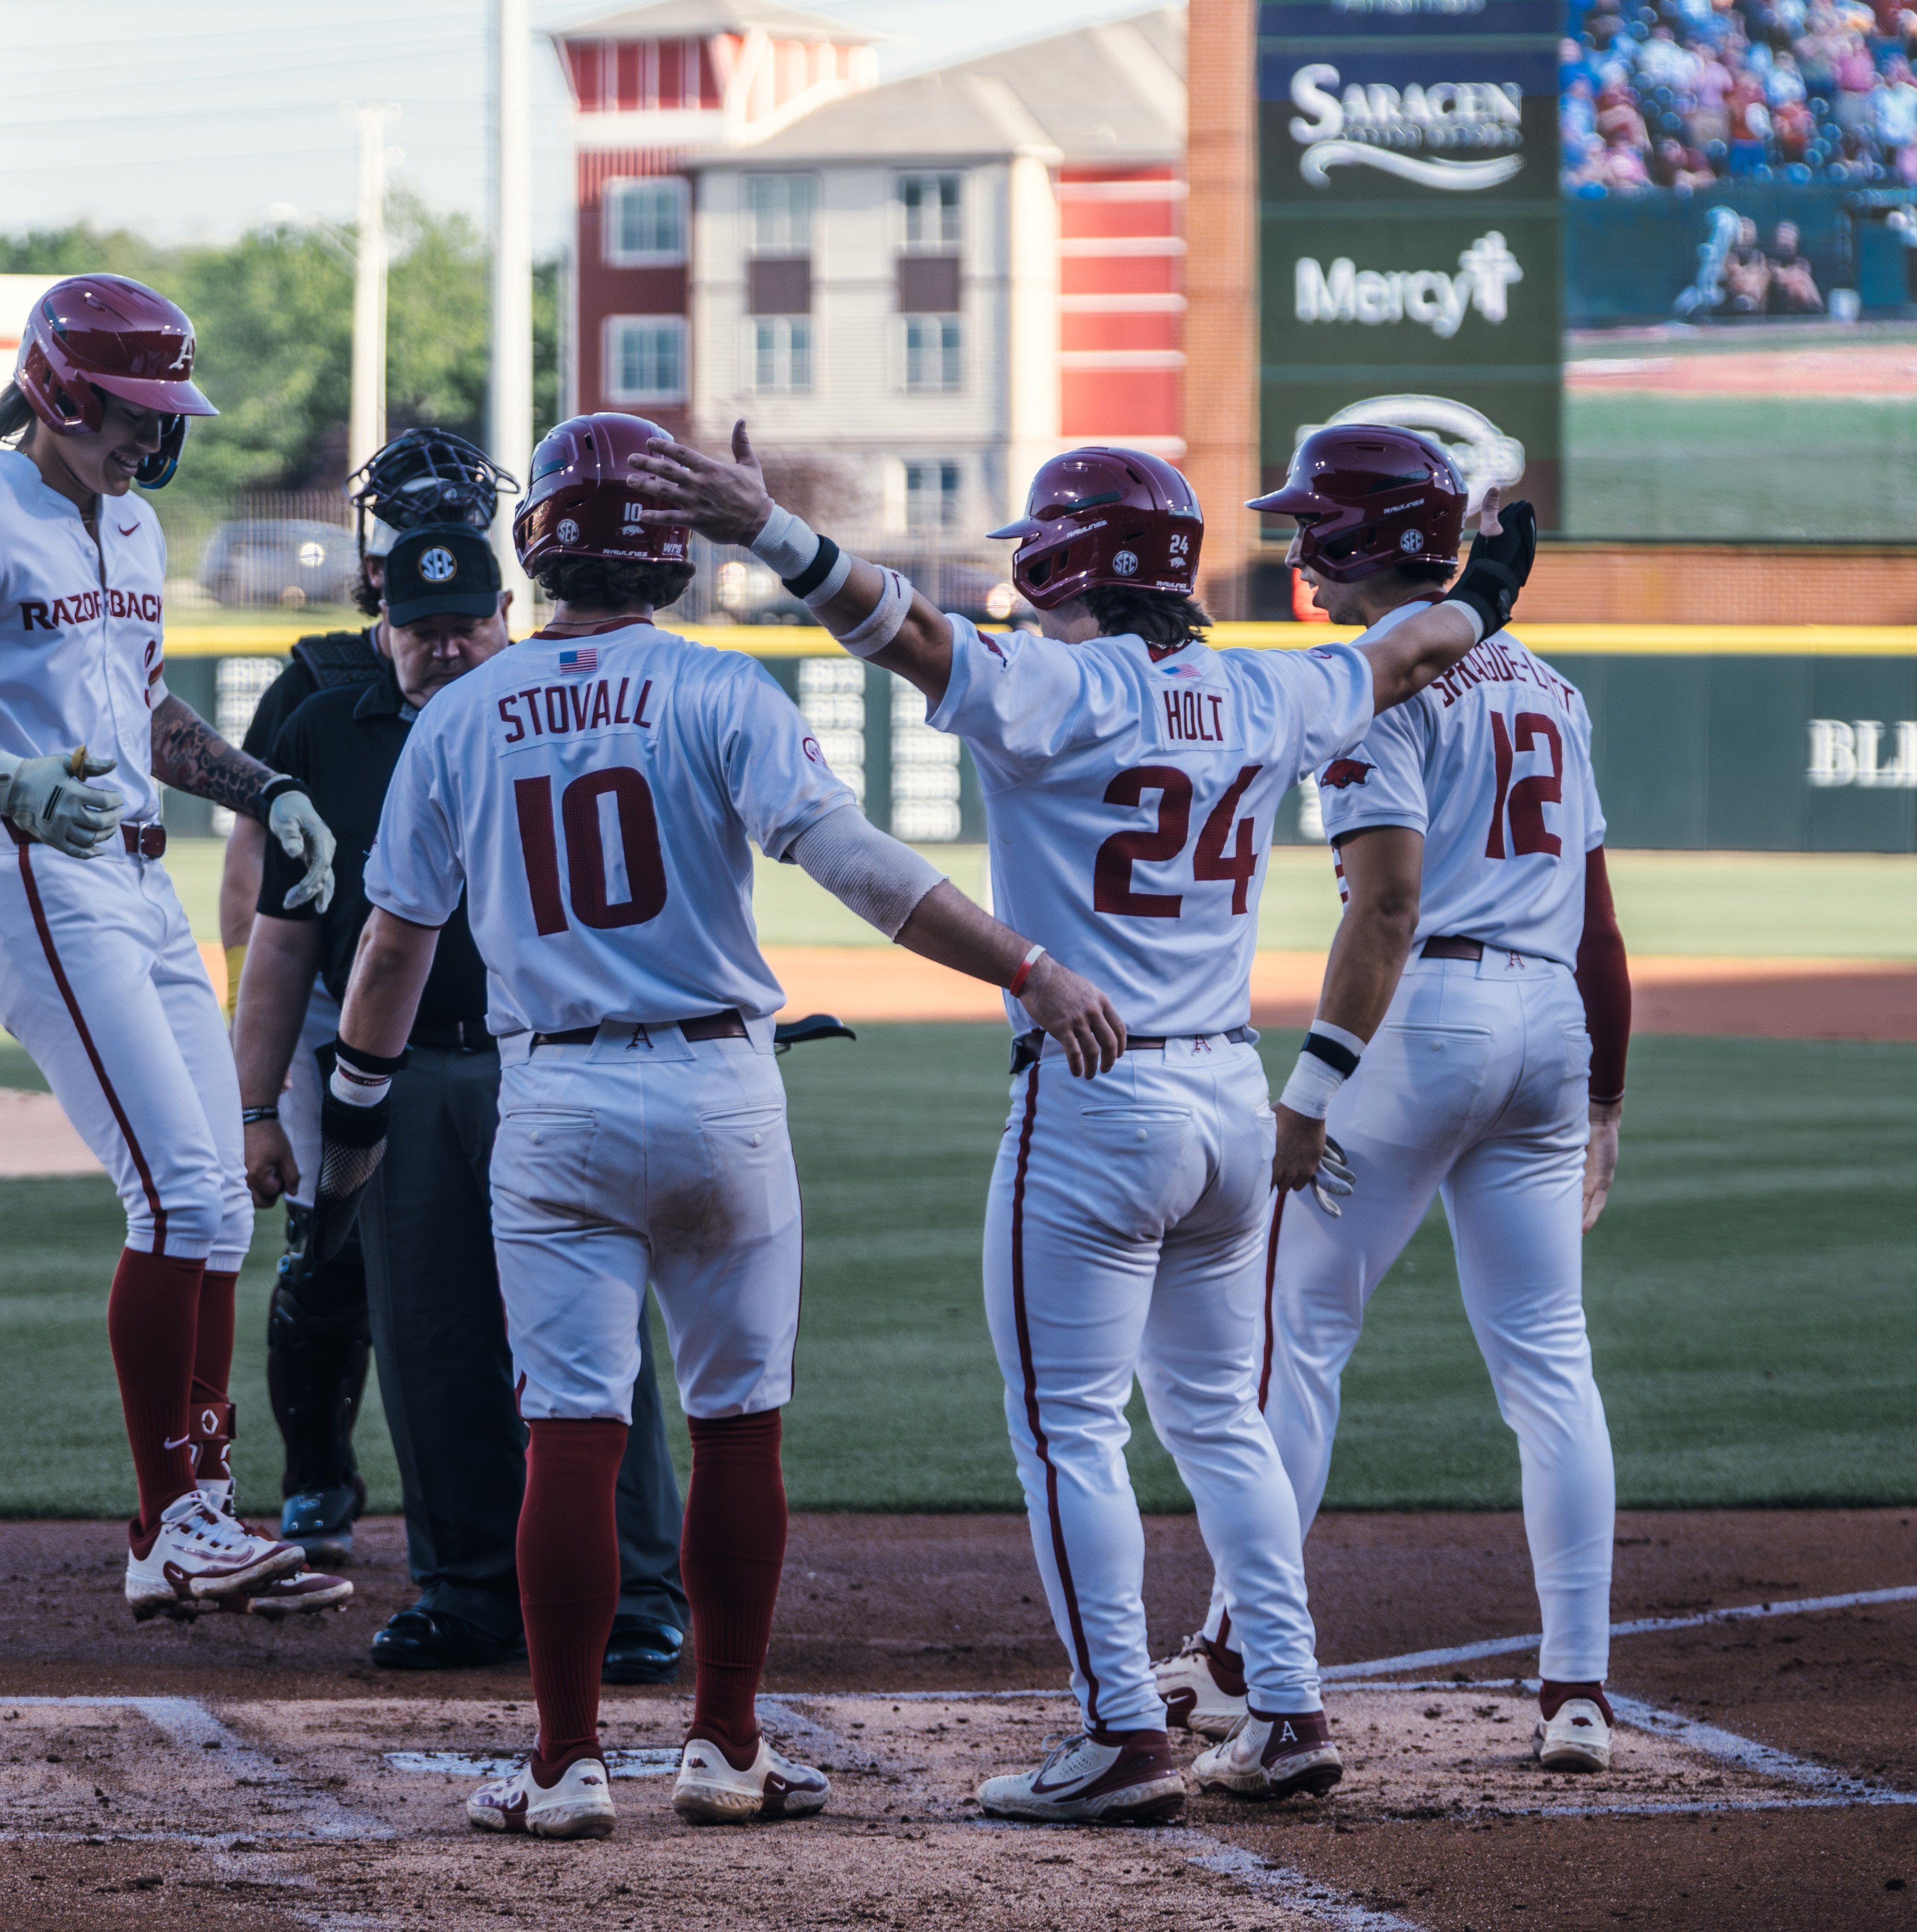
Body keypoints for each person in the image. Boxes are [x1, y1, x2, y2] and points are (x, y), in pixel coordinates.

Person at [625, 423, 1535, 1825]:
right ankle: (1284, 1707)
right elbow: (1411, 654)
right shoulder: (1260, 694)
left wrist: (767, 531)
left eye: (1038, 555)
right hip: (1233, 1093)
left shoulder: (1056, 681)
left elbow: (903, 631)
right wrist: (1484, 592)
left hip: (1096, 1088)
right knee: (1220, 1424)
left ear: (1070, 561)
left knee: (1067, 1426)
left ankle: (1119, 1728)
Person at [331, 411, 1126, 1841]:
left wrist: (352, 1112)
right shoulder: (720, 691)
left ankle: (566, 1762)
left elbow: (391, 951)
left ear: (533, 552)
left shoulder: (458, 709)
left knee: (568, 1429)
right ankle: (725, 1743)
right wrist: (1030, 964)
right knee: (736, 1426)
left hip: (554, 1094)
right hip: (716, 1086)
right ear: (669, 552)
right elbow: (865, 874)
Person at [0, 273, 349, 1622]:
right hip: (36, 880)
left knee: (221, 1200)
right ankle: (173, 1522)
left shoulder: (133, 521)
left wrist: (262, 786)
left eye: (164, 413)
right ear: (58, 390)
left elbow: (147, 705)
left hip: (136, 884)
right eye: (134, 409)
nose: (153, 437)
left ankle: (190, 1520)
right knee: (176, 1194)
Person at [1159, 426, 1633, 1776]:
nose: (1297, 547)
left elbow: (1388, 904)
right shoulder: (1545, 683)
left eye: (1316, 526)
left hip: (1418, 1023)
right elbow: (1597, 918)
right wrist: (1603, 1086)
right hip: (1544, 1020)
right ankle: (1577, 1688)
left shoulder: (1362, 689)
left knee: (1295, 1337)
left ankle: (1246, 1653)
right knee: (1547, 1358)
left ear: (1364, 545)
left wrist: (1309, 1089)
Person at [234, 523, 694, 1681]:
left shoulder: (557, 712)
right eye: (420, 628)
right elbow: (283, 944)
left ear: (507, 617)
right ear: (381, 625)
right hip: (402, 1066)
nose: (444, 648)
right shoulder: (322, 733)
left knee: (592, 1332)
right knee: (427, 1333)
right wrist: (254, 1106)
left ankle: (638, 1592)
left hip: (552, 1055)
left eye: (466, 625)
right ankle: (468, 1588)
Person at [216, 427, 519, 1569]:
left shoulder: (522, 684)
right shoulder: (318, 682)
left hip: (501, 1018)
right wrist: (271, 1038)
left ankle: (519, 1510)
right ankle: (318, 1478)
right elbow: (256, 864)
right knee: (326, 1253)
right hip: (333, 998)